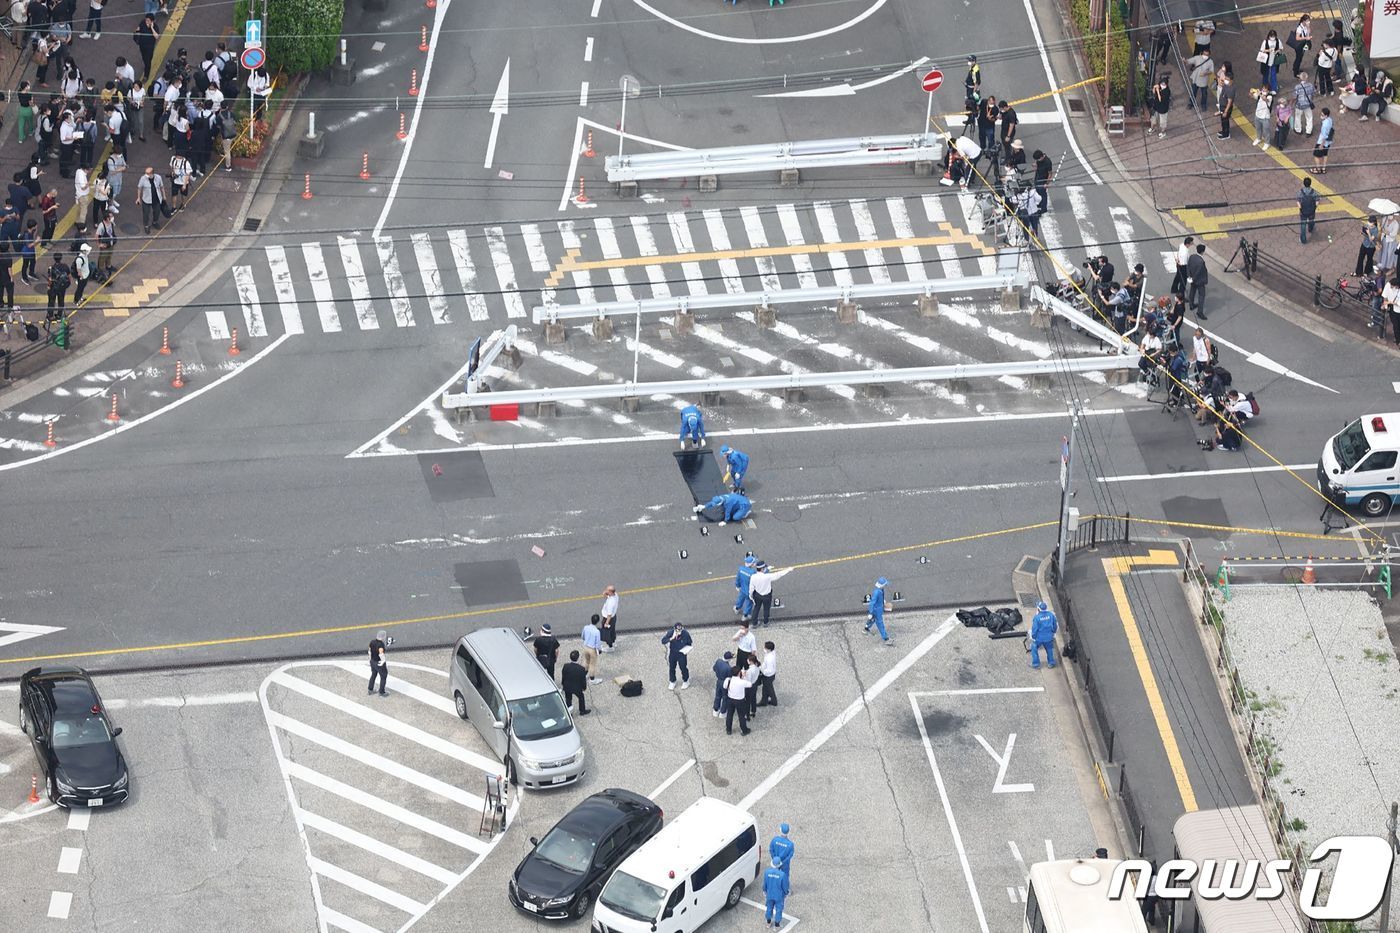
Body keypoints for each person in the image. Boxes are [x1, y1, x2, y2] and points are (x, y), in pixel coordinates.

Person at [748, 561, 791, 627]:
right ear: (762, 569)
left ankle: (754, 623)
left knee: (756, 608)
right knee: (766, 609)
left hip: (757, 595)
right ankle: (766, 622)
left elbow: (751, 588)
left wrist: (751, 596)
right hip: (767, 596)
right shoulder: (767, 577)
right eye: (765, 568)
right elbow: (778, 574)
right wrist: (788, 569)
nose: (765, 569)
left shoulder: (753, 577)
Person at [661, 622, 692, 690]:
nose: (679, 632)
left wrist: (687, 649)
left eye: (680, 630)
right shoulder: (670, 633)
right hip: (673, 653)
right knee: (672, 667)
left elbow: (689, 642)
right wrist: (671, 639)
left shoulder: (685, 634)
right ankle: (672, 681)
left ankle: (686, 680)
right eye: (677, 630)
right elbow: (663, 641)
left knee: (683, 667)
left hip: (681, 654)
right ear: (674, 629)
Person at [864, 576, 893, 645]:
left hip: (878, 609)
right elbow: (872, 603)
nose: (885, 585)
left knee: (872, 620)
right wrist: (871, 612)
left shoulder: (880, 590)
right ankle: (886, 638)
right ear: (882, 585)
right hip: (877, 611)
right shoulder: (877, 592)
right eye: (885, 584)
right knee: (880, 624)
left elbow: (877, 600)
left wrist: (883, 601)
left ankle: (866, 628)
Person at [136, 164, 163, 234]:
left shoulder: (158, 178)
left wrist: (164, 196)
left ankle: (155, 222)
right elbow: (139, 188)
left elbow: (161, 187)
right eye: (145, 173)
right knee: (146, 213)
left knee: (157, 211)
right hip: (146, 199)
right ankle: (146, 226)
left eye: (148, 173)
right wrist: (138, 198)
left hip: (156, 198)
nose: (146, 175)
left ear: (152, 173)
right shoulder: (143, 178)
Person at [763, 858, 789, 929]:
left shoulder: (767, 872)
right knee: (779, 910)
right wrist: (786, 893)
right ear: (779, 865)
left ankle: (768, 922)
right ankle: (777, 925)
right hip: (779, 896)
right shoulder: (782, 875)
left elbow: (764, 884)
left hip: (770, 894)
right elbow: (785, 886)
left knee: (769, 908)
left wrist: (764, 891)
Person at [1030, 601, 1057, 669]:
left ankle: (1036, 664)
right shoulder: (1051, 615)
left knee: (1034, 648)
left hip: (1039, 638)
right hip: (1049, 637)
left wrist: (1033, 637)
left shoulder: (1037, 618)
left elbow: (1034, 629)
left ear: (1038, 609)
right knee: (1049, 649)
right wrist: (1053, 632)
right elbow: (1055, 626)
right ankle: (1051, 663)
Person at [561, 650, 590, 715]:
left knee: (568, 699)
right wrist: (584, 687)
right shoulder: (581, 669)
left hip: (567, 686)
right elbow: (583, 680)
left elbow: (563, 675)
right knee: (581, 697)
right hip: (577, 687)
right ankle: (582, 711)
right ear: (578, 658)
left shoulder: (566, 666)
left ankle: (569, 712)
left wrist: (563, 684)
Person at [131, 13, 159, 80]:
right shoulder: (142, 22)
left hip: (149, 47)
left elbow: (156, 36)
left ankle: (146, 75)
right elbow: (138, 29)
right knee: (144, 58)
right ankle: (146, 65)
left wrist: (152, 28)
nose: (146, 21)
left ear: (152, 21)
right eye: (146, 20)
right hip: (142, 45)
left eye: (148, 20)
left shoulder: (155, 27)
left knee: (148, 62)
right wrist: (136, 31)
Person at [723, 668, 750, 736]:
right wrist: (744, 677)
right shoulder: (742, 682)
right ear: (739, 673)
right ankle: (744, 730)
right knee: (741, 716)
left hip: (730, 699)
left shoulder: (728, 680)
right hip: (740, 701)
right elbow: (750, 684)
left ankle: (728, 729)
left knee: (729, 714)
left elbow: (724, 686)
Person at [1185, 243, 1209, 320]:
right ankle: (1200, 312)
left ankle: (1191, 304)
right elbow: (1199, 272)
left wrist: (1189, 276)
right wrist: (1194, 278)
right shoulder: (1201, 262)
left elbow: (1188, 266)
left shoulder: (1192, 257)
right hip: (1199, 280)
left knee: (1192, 290)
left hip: (1192, 278)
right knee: (1201, 295)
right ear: (1202, 251)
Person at [46, 251, 70, 320]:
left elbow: (50, 280)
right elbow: (69, 276)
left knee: (51, 302)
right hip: (62, 287)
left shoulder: (51, 268)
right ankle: (59, 315)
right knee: (61, 301)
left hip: (54, 287)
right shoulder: (65, 266)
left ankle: (51, 316)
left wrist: (48, 287)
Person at [1295, 177, 1320, 244]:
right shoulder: (1314, 192)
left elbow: (1298, 201)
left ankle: (1303, 239)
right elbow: (1317, 200)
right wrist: (1314, 208)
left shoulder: (1301, 192)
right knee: (1311, 220)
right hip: (1311, 210)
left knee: (1303, 225)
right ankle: (1310, 228)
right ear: (1310, 183)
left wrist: (1301, 209)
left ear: (1304, 183)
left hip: (1303, 211)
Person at [1287, 14, 1312, 78]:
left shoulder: (1306, 26)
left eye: (1309, 20)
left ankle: (1296, 68)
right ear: (1303, 21)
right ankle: (1296, 72)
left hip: (1303, 44)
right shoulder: (1299, 28)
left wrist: (1308, 27)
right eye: (1307, 21)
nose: (1308, 22)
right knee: (1298, 58)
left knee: (1300, 57)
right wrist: (1306, 38)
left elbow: (1308, 32)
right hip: (1299, 45)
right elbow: (1297, 38)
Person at [581, 615, 603, 684]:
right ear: (597, 622)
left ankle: (584, 674)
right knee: (592, 664)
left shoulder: (586, 627)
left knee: (586, 661)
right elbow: (597, 643)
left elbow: (583, 636)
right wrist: (599, 650)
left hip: (585, 647)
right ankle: (592, 679)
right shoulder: (597, 631)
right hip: (592, 649)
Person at [712, 650, 734, 718]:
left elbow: (714, 668)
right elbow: (730, 677)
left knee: (718, 695)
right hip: (724, 682)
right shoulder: (729, 668)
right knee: (725, 697)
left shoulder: (718, 661)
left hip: (719, 681)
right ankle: (723, 712)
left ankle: (716, 709)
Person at [735, 554, 757, 619]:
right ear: (751, 564)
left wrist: (737, 586)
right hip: (749, 591)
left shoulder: (740, 569)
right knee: (749, 603)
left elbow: (737, 579)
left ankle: (737, 608)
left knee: (740, 599)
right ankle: (745, 615)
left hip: (742, 589)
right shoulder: (753, 572)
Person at [1311, 107, 1333, 174]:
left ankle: (1318, 169)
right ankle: (1323, 168)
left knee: (1316, 156)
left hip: (1322, 142)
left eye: (1322, 115)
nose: (1321, 116)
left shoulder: (1324, 125)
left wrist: (1321, 145)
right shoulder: (1330, 120)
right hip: (1328, 142)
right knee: (1325, 154)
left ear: (1326, 115)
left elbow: (1324, 136)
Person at [1215, 71, 1235, 140]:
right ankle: (1223, 131)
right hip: (1222, 106)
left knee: (1225, 121)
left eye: (1227, 79)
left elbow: (1229, 102)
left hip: (1226, 108)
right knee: (1223, 120)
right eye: (1225, 79)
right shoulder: (1227, 85)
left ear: (1231, 80)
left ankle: (1226, 134)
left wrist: (1226, 111)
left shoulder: (1231, 89)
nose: (1225, 80)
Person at [367, 630, 388, 695]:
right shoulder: (381, 644)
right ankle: (381, 692)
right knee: (383, 676)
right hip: (379, 662)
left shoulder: (372, 642)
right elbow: (381, 653)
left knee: (373, 674)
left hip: (372, 661)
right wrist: (383, 661)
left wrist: (370, 660)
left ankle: (370, 689)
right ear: (383, 637)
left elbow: (369, 651)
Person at [598, 584, 618, 652]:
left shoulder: (610, 603)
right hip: (614, 617)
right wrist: (605, 594)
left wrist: (606, 623)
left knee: (606, 634)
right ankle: (613, 642)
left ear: (611, 592)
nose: (606, 590)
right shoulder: (616, 595)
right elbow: (608, 597)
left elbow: (609, 615)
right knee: (612, 631)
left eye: (607, 590)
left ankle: (610, 646)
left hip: (608, 619)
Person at [757, 641, 778, 707]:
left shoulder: (769, 659)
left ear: (769, 649)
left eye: (765, 647)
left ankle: (771, 701)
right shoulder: (772, 653)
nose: (764, 648)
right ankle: (766, 701)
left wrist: (760, 667)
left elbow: (768, 671)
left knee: (768, 689)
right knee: (766, 688)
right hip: (772, 675)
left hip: (768, 676)